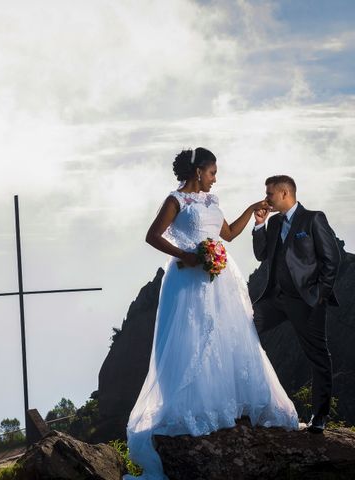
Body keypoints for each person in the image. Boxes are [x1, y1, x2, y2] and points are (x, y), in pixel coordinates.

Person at [125, 148, 299, 480]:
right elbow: (152, 236)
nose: (215, 178)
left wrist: (252, 209)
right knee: (191, 336)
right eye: (212, 172)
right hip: (187, 276)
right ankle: (191, 408)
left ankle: (229, 402)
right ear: (198, 171)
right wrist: (185, 255)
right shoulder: (176, 200)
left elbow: (229, 234)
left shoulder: (211, 199)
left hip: (220, 275)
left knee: (227, 335)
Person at [252, 175, 341, 434]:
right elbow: (261, 255)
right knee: (244, 327)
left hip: (307, 302)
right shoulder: (275, 221)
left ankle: (320, 416)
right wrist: (259, 225)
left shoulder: (313, 219)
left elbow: (332, 260)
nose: (266, 198)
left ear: (284, 194)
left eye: (269, 194)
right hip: (276, 300)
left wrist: (318, 295)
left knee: (318, 357)